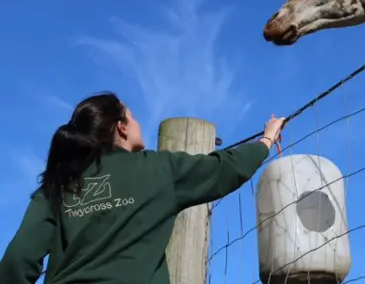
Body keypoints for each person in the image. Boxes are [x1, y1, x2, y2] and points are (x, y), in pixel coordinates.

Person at [0, 91, 285, 284]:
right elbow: (226, 168)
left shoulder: (57, 184)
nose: (138, 122)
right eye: (132, 116)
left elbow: (17, 259)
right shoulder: (158, 169)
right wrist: (266, 140)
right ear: (121, 126)